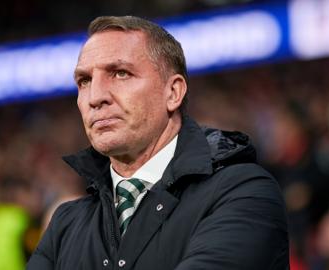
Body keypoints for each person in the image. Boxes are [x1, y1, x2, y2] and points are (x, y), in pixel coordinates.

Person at [26, 15, 289, 269]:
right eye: (84, 81)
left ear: (173, 92)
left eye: (120, 73)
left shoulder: (243, 192)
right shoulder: (65, 224)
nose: (95, 97)